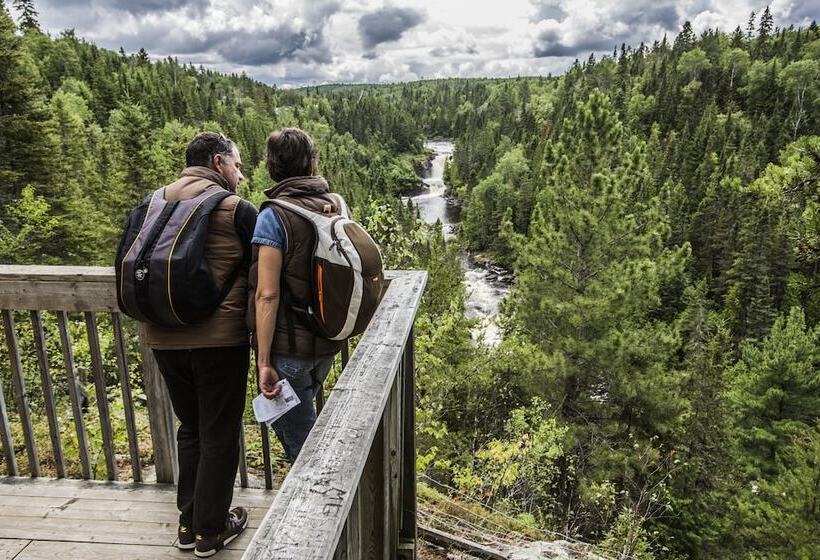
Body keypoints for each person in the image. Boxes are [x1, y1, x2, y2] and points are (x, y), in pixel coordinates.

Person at [144, 132, 257, 557]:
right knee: (219, 432)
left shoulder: (155, 202)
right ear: (217, 162)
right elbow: (265, 266)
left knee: (190, 429)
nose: (240, 174)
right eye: (237, 165)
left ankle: (188, 525)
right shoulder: (234, 209)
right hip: (219, 339)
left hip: (163, 337)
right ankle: (211, 530)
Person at [249, 127, 347, 463]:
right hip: (327, 341)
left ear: (272, 166)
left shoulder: (272, 217)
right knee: (307, 433)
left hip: (289, 351)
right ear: (311, 162)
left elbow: (267, 295)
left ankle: (323, 508)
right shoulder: (333, 204)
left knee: (305, 454)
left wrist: (263, 362)